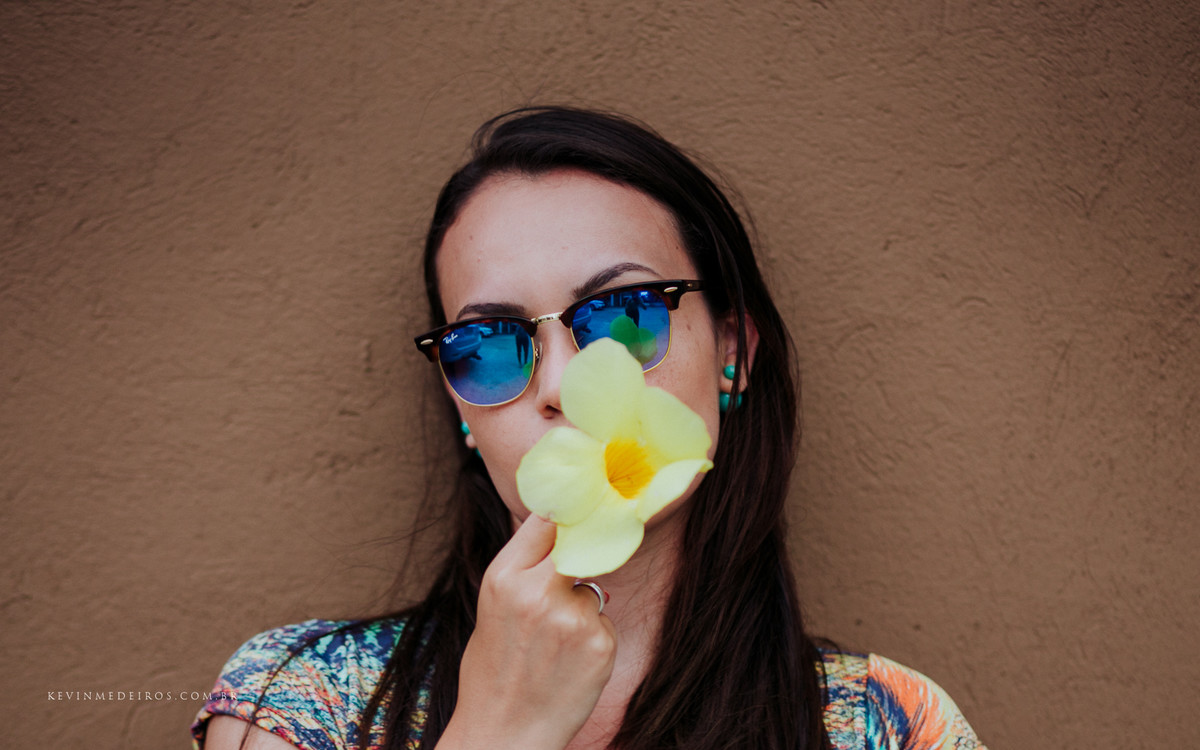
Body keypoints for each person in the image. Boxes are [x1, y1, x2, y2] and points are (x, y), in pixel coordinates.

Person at [193, 107, 988, 750]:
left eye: (622, 317)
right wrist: (495, 734)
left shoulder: (889, 726)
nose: (561, 387)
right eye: (488, 346)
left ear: (734, 354)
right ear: (460, 408)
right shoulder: (300, 703)